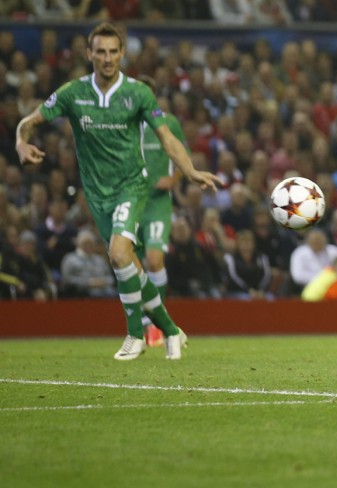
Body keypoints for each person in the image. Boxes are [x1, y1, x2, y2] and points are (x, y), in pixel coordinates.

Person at [16, 22, 223, 360]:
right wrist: (20, 143)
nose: (108, 58)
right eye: (101, 51)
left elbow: (168, 138)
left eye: (114, 51)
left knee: (118, 254)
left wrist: (190, 171)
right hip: (97, 193)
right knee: (131, 265)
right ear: (89, 54)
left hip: (131, 185)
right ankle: (172, 330)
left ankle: (135, 334)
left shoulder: (138, 92)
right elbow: (29, 121)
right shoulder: (72, 93)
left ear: (122, 54)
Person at [136, 76, 187, 346]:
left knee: (154, 261)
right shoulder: (123, 124)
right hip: (130, 201)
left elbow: (184, 155)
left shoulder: (168, 123)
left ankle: (158, 322)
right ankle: (143, 323)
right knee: (131, 265)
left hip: (157, 204)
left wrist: (174, 179)